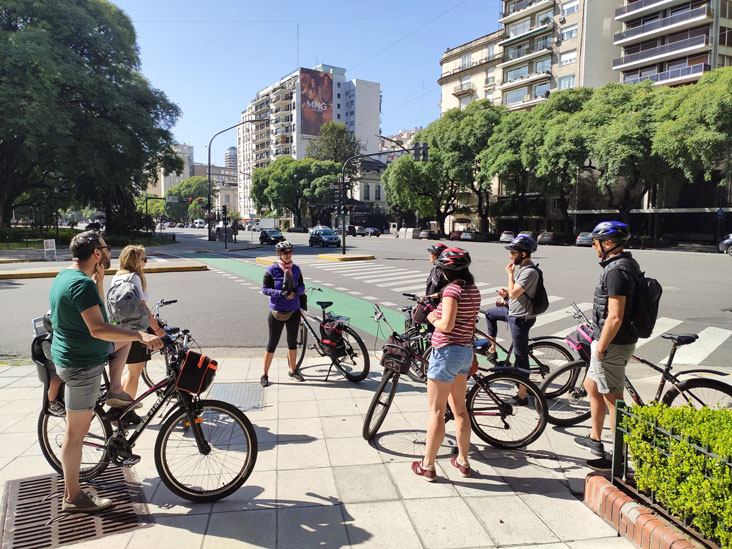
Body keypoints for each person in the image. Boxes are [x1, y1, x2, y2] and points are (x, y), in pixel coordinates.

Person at [49, 231, 162, 513]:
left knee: (123, 342)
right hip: (81, 364)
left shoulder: (68, 276)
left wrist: (98, 282)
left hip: (76, 354)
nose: (109, 252)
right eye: (105, 247)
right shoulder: (81, 285)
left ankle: (114, 390)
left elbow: (99, 314)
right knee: (75, 435)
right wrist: (140, 333)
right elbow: (98, 328)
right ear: (97, 254)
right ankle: (73, 497)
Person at [574, 221, 640, 471]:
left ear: (609, 243)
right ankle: (595, 439)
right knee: (592, 386)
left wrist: (600, 347)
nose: (593, 245)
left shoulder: (616, 271)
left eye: (595, 241)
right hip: (613, 341)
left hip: (612, 343)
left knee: (614, 400)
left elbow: (615, 316)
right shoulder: (626, 264)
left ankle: (619, 459)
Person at [412, 248, 481, 481]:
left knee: (437, 412)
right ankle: (463, 461)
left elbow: (447, 325)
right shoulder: (473, 289)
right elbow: (470, 324)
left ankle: (427, 466)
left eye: (440, 270)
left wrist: (432, 317)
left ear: (445, 272)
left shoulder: (452, 291)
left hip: (446, 353)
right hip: (464, 351)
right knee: (460, 410)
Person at [111, 245, 166, 425]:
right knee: (135, 372)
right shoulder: (134, 277)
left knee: (132, 370)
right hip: (136, 331)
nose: (146, 262)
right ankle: (125, 413)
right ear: (135, 261)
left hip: (120, 330)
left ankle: (120, 408)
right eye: (143, 259)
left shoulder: (117, 276)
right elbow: (143, 307)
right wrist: (156, 329)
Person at [483, 234, 540, 402]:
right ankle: (492, 347)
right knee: (489, 313)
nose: (510, 255)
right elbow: (517, 294)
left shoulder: (529, 271)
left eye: (513, 252)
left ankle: (522, 395)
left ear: (523, 254)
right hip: (512, 312)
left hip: (521, 318)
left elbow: (515, 293)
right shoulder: (523, 269)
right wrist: (506, 294)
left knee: (521, 356)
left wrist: (509, 276)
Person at [261, 241, 306, 387]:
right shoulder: (272, 270)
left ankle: (293, 370)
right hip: (277, 312)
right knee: (272, 344)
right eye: (285, 252)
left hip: (293, 310)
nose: (288, 255)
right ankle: (265, 374)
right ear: (279, 254)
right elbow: (265, 289)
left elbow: (302, 286)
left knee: (292, 343)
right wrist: (281, 293)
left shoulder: (297, 269)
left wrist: (295, 292)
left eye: (290, 252)